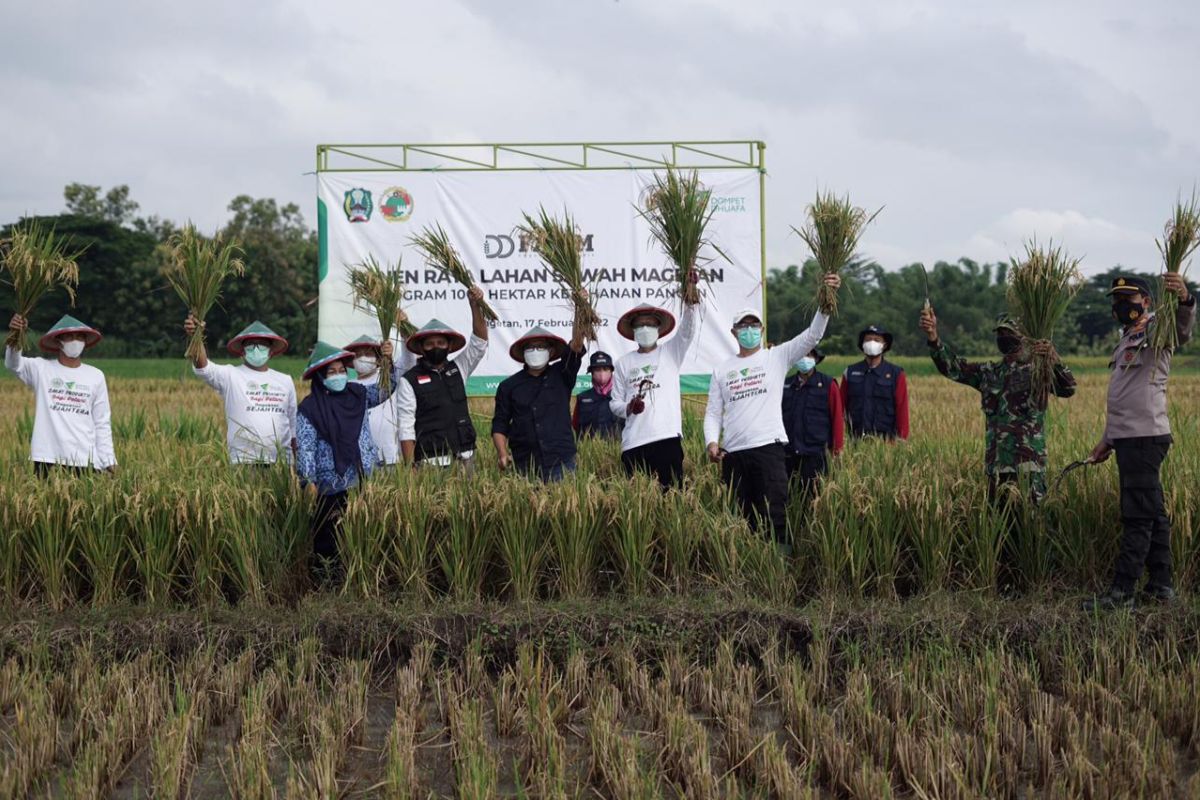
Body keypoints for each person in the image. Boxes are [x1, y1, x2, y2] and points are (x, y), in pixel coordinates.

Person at [1084, 274, 1195, 611]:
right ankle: (1161, 586)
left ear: (1146, 301)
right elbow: (1124, 396)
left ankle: (1122, 592)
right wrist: (1108, 439)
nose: (1121, 305)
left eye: (1129, 298)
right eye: (1117, 299)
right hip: (1129, 437)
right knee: (1153, 514)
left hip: (1145, 437)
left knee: (1137, 516)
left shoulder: (1156, 331)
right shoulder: (1125, 339)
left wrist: (1185, 300)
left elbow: (1182, 330)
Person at [703, 273, 840, 548]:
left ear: (763, 330)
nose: (749, 330)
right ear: (734, 332)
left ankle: (778, 574)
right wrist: (711, 442)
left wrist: (826, 301)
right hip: (733, 454)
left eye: (755, 325)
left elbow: (813, 335)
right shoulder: (721, 369)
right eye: (744, 326)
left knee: (774, 514)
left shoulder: (776, 357)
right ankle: (745, 572)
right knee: (740, 518)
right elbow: (713, 413)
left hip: (769, 449)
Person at [921, 310, 1076, 504]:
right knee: (1001, 526)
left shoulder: (1037, 370)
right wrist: (933, 337)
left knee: (1032, 527)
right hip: (996, 466)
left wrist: (1053, 360)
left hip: (1028, 466)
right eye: (1000, 334)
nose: (1003, 338)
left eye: (1009, 334)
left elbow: (1068, 388)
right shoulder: (989, 373)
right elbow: (953, 368)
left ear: (1024, 338)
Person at [294, 339, 397, 579]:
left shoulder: (358, 395)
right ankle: (328, 584)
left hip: (362, 479)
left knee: (361, 532)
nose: (339, 375)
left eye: (342, 370)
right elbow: (306, 447)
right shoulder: (310, 408)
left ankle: (360, 580)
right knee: (328, 538)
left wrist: (387, 361)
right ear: (320, 377)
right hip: (329, 486)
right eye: (332, 372)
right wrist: (308, 480)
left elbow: (387, 387)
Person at [5, 313, 116, 476]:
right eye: (69, 337)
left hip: (86, 459)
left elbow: (102, 421)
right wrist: (16, 335)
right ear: (59, 341)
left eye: (79, 337)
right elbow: (13, 364)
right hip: (47, 457)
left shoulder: (96, 376)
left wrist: (108, 460)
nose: (75, 341)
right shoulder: (41, 369)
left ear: (85, 341)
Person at [397, 285, 489, 471]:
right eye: (430, 344)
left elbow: (479, 343)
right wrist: (410, 469)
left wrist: (475, 305)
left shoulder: (459, 368)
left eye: (440, 343)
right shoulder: (410, 380)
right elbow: (406, 427)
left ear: (449, 346)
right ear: (421, 349)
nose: (435, 347)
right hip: (432, 464)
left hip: (466, 458)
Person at [609, 299, 699, 490]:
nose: (645, 328)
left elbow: (687, 332)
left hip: (666, 439)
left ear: (658, 328)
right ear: (633, 331)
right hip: (634, 443)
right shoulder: (623, 363)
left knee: (672, 500)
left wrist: (690, 303)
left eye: (649, 324)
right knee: (639, 507)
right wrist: (628, 407)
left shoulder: (672, 352)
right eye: (640, 325)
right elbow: (614, 403)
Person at [183, 316, 297, 465]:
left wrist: (298, 467)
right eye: (251, 345)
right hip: (244, 462)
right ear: (242, 352)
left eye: (262, 345)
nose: (256, 350)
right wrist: (196, 336)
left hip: (281, 463)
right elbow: (203, 368)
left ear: (270, 352)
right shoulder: (231, 375)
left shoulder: (285, 381)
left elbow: (293, 426)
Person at [491, 319, 586, 482]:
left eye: (541, 347)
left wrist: (580, 307)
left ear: (550, 351)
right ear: (523, 353)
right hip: (525, 465)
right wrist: (502, 454)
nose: (535, 351)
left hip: (561, 462)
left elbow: (576, 346)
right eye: (530, 347)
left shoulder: (563, 374)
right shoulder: (509, 386)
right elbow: (500, 424)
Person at [343, 334, 417, 468]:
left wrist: (404, 334)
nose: (363, 358)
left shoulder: (389, 377)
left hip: (391, 457)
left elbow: (409, 361)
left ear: (378, 358)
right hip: (360, 461)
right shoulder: (347, 387)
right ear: (352, 361)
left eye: (367, 353)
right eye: (358, 355)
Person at [780, 347, 843, 503]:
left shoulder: (828, 384)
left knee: (813, 500)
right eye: (801, 355)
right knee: (789, 499)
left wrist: (837, 450)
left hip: (815, 454)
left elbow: (837, 418)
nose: (805, 359)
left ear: (816, 358)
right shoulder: (785, 385)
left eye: (809, 355)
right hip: (788, 454)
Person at [841, 325, 909, 440]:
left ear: (884, 345)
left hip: (886, 442)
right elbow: (840, 408)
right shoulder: (850, 372)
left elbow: (902, 409)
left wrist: (901, 440)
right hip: (855, 440)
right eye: (868, 340)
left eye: (877, 340)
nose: (872, 343)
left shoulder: (896, 374)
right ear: (862, 344)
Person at [573, 352, 622, 439]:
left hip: (617, 450)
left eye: (605, 369)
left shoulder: (622, 395)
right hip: (590, 451)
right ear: (591, 372)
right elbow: (575, 426)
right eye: (597, 370)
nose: (602, 373)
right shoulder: (582, 398)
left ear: (611, 372)